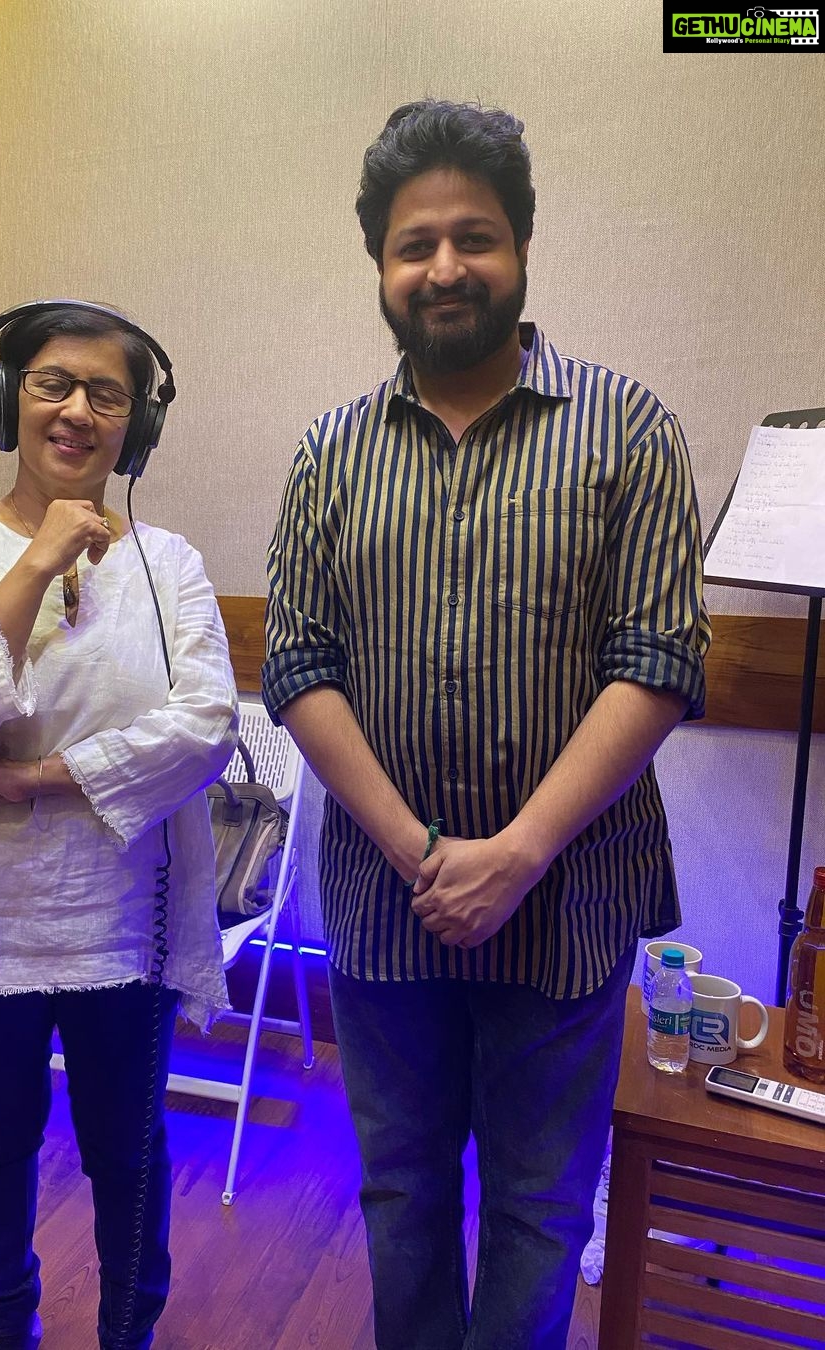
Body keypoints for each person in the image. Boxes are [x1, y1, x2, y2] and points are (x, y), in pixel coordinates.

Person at [262, 101, 711, 1350]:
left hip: (568, 898)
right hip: (385, 904)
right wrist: (422, 853)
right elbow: (297, 664)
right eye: (416, 245)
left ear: (521, 248)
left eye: (476, 237)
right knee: (402, 1198)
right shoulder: (329, 454)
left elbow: (659, 662)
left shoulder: (628, 427)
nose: (446, 267)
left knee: (539, 1209)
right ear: (381, 264)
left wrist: (515, 855)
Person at [0, 300, 238, 1350]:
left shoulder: (173, 565)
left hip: (125, 921)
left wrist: (28, 778)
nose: (77, 411)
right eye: (52, 385)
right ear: (4, 400)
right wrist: (37, 559)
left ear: (137, 426)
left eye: (106, 395)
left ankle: (128, 1335)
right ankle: (9, 1331)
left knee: (129, 1150)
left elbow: (205, 728)